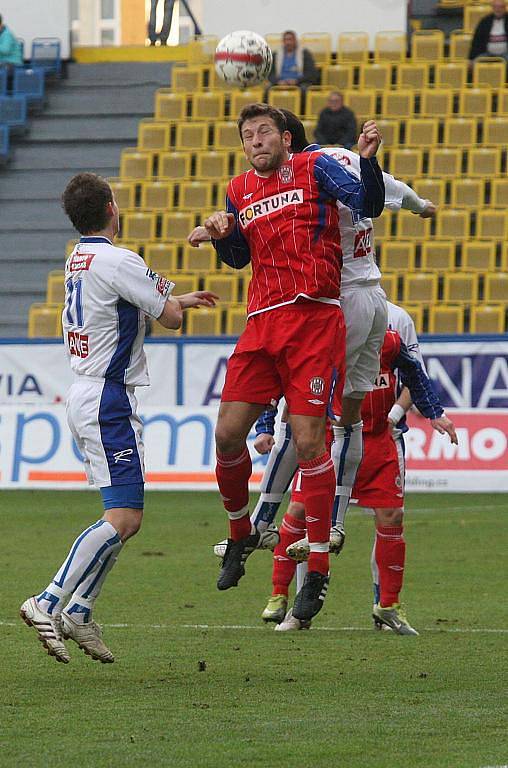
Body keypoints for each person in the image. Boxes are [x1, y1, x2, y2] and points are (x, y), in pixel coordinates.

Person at [20, 172, 217, 664]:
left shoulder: (79, 258)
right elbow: (168, 317)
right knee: (123, 516)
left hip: (87, 391)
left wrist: (173, 300)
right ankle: (48, 601)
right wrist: (176, 304)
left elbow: (120, 306)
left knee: (125, 518)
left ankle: (81, 611)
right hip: (108, 400)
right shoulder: (118, 258)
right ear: (111, 206)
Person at [202, 103, 385, 623]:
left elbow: (366, 204)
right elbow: (239, 256)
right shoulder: (238, 190)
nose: (255, 141)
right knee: (227, 434)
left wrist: (368, 161)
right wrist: (221, 234)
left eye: (263, 132)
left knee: (308, 441)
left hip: (313, 320)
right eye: (247, 135)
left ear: (284, 138)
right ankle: (241, 533)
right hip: (261, 322)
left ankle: (320, 568)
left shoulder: (314, 167)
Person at [262, 302, 458, 635]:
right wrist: (271, 422)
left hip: (381, 438)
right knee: (300, 511)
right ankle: (291, 605)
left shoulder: (396, 325)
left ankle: (387, 606)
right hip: (332, 436)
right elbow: (288, 374)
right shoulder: (320, 321)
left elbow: (414, 373)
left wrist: (421, 413)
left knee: (392, 516)